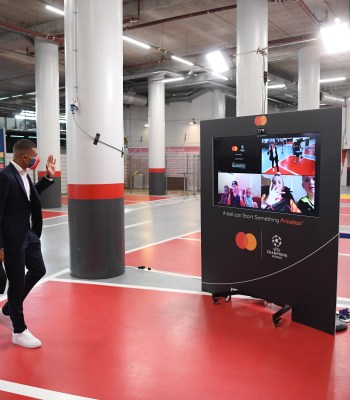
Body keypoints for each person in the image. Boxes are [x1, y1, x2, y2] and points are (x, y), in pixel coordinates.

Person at [0, 139, 56, 348]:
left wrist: (48, 176)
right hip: (12, 240)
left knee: (38, 270)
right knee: (16, 283)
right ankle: (19, 330)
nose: (36, 159)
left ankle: (8, 309)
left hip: (29, 235)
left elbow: (30, 196)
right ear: (24, 157)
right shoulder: (5, 177)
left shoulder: (25, 175)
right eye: (34, 156)